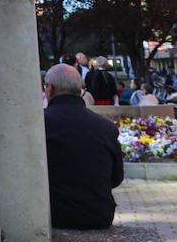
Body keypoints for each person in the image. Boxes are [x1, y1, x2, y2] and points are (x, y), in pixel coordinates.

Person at [42, 63, 124, 230]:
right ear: (81, 90)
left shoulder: (40, 125)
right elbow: (116, 177)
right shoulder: (106, 127)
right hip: (99, 214)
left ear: (49, 89)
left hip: (55, 214)